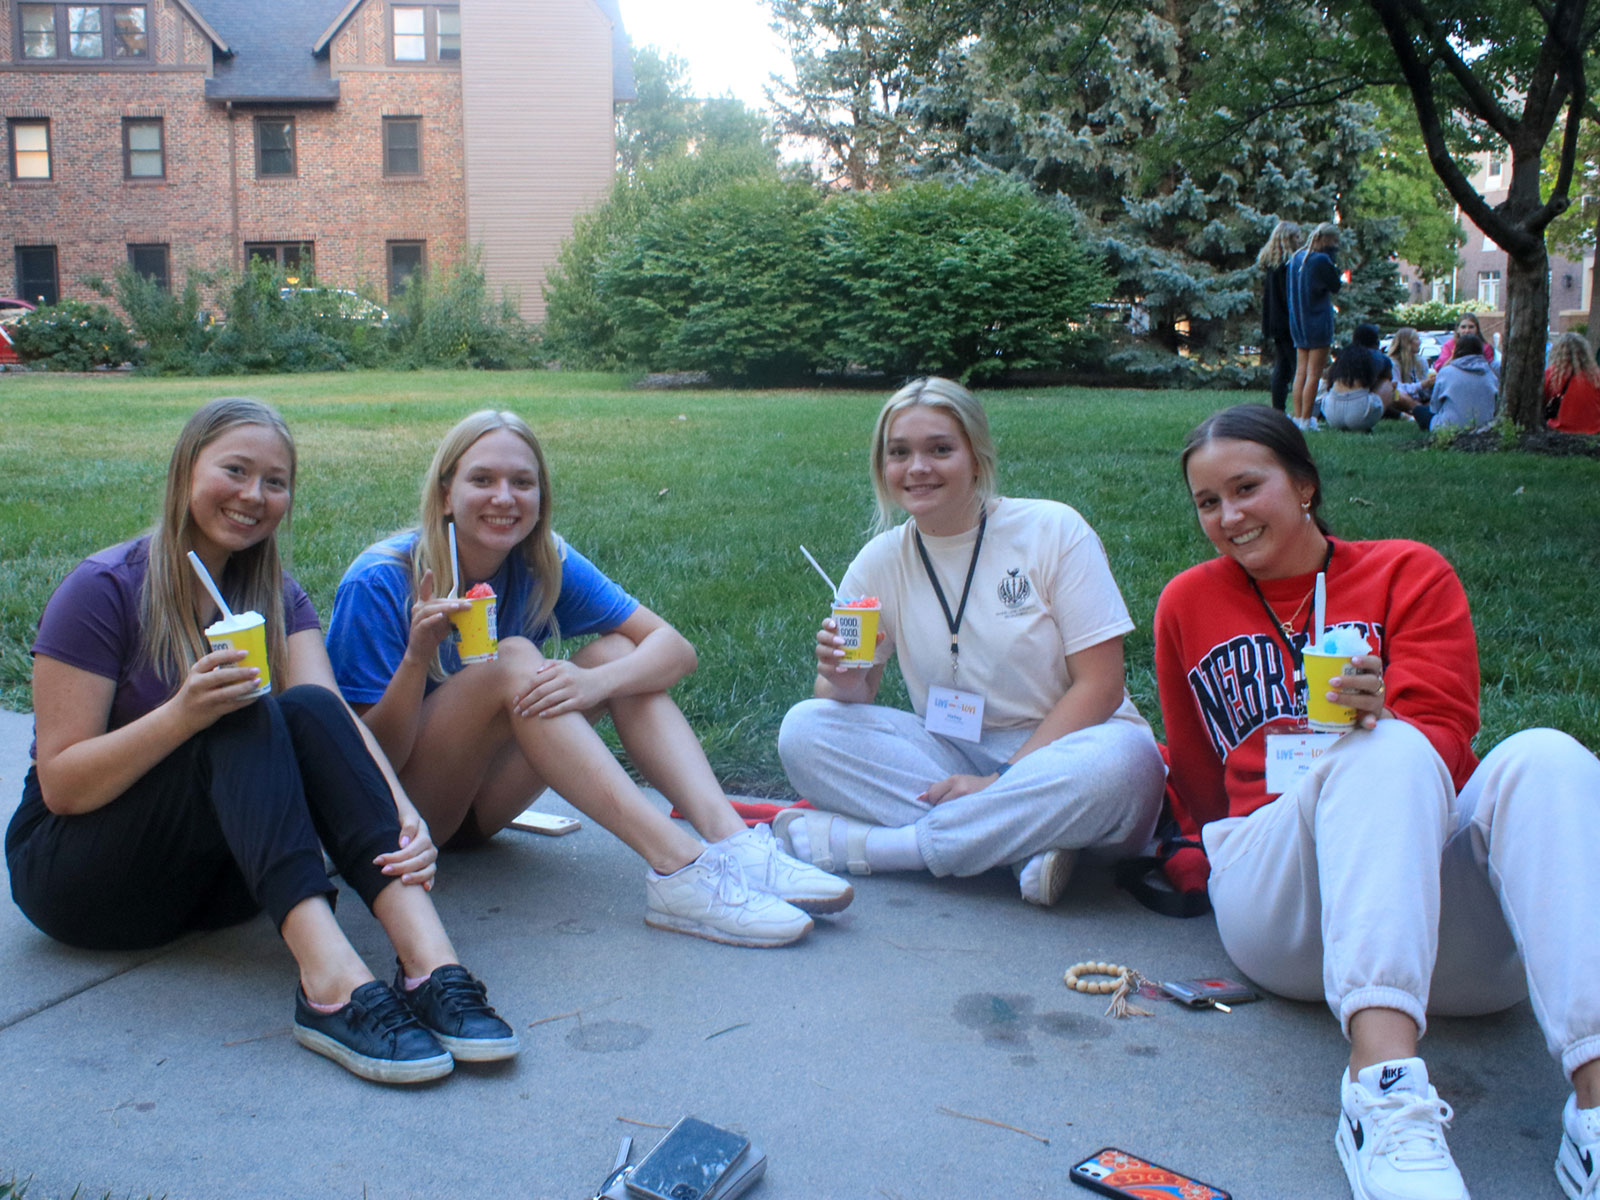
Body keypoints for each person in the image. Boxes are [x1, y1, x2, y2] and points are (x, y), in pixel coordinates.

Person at [1155, 403, 1600, 1200]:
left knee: (1546, 756)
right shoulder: (1187, 603)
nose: (1229, 516)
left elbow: (1447, 739)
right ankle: (1382, 1097)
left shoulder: (1408, 572)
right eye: (1207, 502)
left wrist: (1381, 710)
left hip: (1433, 925)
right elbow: (1194, 772)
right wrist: (1190, 865)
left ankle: (1597, 1111)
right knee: (1381, 749)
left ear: (1305, 486)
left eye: (1247, 487)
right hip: (1285, 904)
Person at [6, 398, 517, 1086]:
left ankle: (431, 966)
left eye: (274, 482)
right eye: (236, 470)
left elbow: (330, 722)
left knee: (299, 705)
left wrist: (404, 815)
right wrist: (183, 714)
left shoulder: (278, 594)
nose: (254, 495)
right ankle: (330, 988)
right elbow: (63, 787)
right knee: (240, 713)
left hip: (217, 884)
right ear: (187, 470)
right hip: (83, 879)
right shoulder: (102, 590)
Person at [326, 410, 849, 950]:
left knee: (619, 654)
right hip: (400, 823)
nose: (504, 498)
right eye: (482, 480)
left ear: (541, 498)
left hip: (479, 809)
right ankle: (679, 868)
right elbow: (360, 761)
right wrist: (416, 660)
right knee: (515, 658)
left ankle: (733, 843)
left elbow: (675, 650)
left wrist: (596, 683)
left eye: (522, 483)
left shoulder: (541, 560)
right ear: (444, 494)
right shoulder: (382, 580)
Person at [775, 378, 1165, 906]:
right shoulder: (878, 562)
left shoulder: (1053, 530)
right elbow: (850, 702)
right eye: (899, 453)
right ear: (883, 468)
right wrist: (840, 675)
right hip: (950, 754)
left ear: (976, 457)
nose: (918, 467)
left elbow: (1102, 687)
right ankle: (1024, 846)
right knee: (805, 729)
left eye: (940, 449)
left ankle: (885, 847)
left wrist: (1004, 779)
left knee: (1129, 761)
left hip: (1069, 751)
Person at [1286, 221, 1342, 432]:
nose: (1335, 245)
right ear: (1326, 239)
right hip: (1318, 321)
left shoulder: (1296, 259)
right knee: (1314, 373)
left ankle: (1298, 416)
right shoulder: (1320, 260)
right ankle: (1307, 419)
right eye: (1334, 241)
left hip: (1298, 321)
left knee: (1300, 372)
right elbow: (1335, 285)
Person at [1257, 220, 1303, 413]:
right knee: (1297, 367)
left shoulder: (1271, 265)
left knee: (1283, 366)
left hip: (1275, 322)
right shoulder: (1289, 266)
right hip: (1287, 322)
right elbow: (1289, 297)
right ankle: (1303, 411)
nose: (1301, 240)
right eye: (1298, 236)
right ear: (1289, 239)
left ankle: (1278, 410)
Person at [1426, 333, 1499, 432]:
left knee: (1420, 411)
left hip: (1450, 427)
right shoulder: (1489, 373)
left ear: (1456, 349)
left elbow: (1434, 407)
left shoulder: (1446, 372)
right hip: (1484, 426)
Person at [1321, 343, 1386, 432]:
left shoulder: (1336, 373)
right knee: (1384, 389)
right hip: (1360, 414)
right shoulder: (1364, 373)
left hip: (1333, 417)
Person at [1543, 331, 1600, 434]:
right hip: (1594, 429)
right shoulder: (1596, 377)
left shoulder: (1552, 375)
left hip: (1560, 429)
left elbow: (1541, 400)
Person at [1385, 327, 1430, 416]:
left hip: (1420, 398)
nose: (1419, 342)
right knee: (1398, 395)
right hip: (1403, 400)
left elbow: (1425, 387)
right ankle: (1422, 413)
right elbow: (1397, 387)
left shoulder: (1421, 361)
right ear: (1407, 343)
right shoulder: (1393, 363)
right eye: (1416, 339)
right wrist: (1421, 385)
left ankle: (1423, 411)